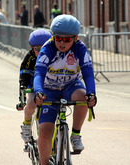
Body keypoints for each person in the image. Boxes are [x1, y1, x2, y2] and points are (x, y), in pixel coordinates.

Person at [34, 14, 97, 165]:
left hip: (71, 85)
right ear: (53, 36)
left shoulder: (80, 49)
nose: (62, 42)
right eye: (58, 38)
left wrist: (92, 93)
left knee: (83, 96)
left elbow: (88, 73)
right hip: (49, 89)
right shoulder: (47, 49)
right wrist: (38, 91)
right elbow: (39, 73)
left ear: (75, 38)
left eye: (67, 39)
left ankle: (75, 134)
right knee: (44, 131)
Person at [17, 29, 52, 144]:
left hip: (49, 85)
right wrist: (21, 98)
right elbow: (23, 76)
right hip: (33, 85)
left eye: (45, 47)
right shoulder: (30, 57)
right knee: (31, 103)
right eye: (38, 49)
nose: (42, 51)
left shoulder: (54, 54)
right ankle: (26, 124)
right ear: (32, 48)